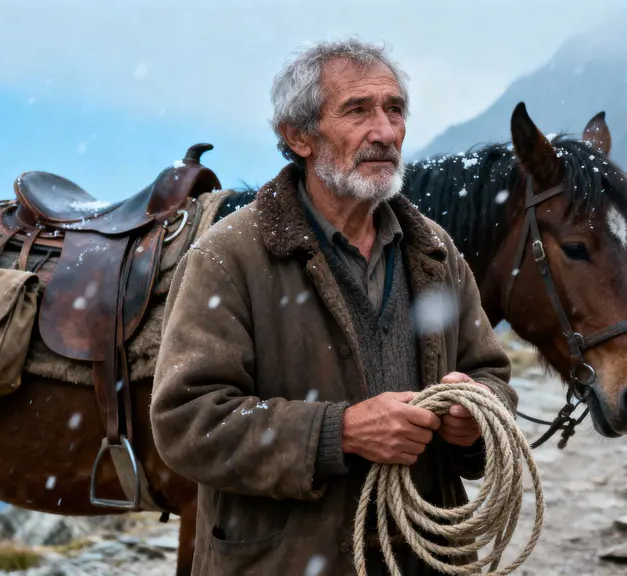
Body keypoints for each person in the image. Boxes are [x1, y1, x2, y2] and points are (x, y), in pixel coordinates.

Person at [149, 37, 517, 575]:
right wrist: (339, 432)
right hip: (286, 561)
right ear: (298, 136)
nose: (385, 133)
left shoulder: (432, 249)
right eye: (357, 111)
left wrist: (477, 416)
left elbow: (491, 374)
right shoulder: (229, 257)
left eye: (394, 110)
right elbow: (187, 422)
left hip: (425, 560)